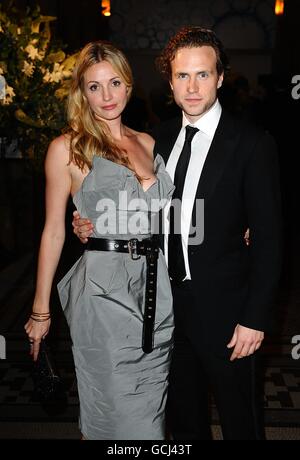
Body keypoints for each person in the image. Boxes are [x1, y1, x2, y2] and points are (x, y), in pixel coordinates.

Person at [73, 27, 282, 440]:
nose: (192, 86)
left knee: (240, 419)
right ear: (169, 81)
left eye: (202, 75)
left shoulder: (252, 144)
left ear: (220, 77)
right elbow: (137, 206)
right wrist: (89, 225)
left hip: (227, 312)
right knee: (184, 422)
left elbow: (270, 239)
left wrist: (254, 319)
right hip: (164, 307)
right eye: (182, 76)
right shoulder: (158, 139)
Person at [24, 40, 174, 440]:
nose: (106, 96)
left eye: (114, 83)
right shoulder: (67, 149)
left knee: (151, 416)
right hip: (103, 296)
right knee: (115, 414)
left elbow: (175, 211)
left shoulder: (150, 143)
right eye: (94, 87)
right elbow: (54, 229)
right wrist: (41, 311)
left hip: (157, 294)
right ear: (82, 92)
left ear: (129, 85)